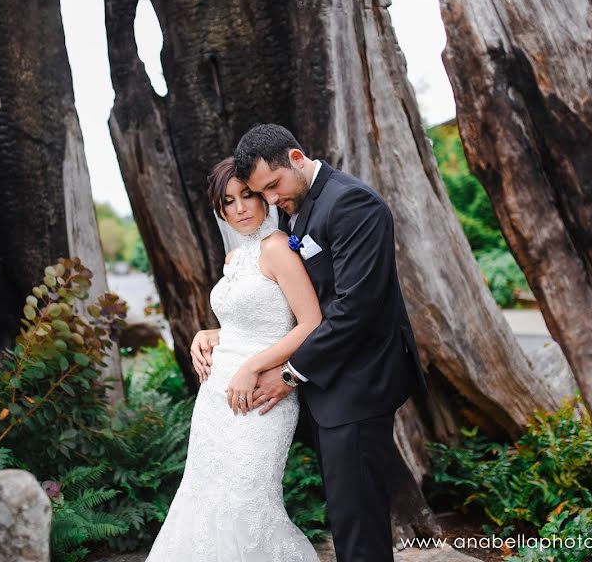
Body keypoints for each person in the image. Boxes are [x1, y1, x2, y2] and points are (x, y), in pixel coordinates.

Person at [194, 124, 428, 561]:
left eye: (271, 187)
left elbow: (355, 308)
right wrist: (217, 334)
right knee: (348, 513)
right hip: (330, 382)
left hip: (361, 380)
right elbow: (279, 305)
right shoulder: (293, 204)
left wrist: (290, 373)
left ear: (297, 158)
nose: (268, 200)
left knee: (358, 519)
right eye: (259, 193)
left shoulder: (352, 203)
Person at [145, 157, 320, 561]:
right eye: (228, 201)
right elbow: (248, 322)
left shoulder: (278, 249)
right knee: (203, 497)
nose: (240, 208)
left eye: (247, 196)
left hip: (261, 394)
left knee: (247, 501)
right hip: (214, 401)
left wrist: (253, 366)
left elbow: (310, 322)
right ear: (219, 210)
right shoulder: (234, 258)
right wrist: (208, 334)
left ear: (263, 198)